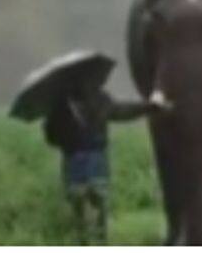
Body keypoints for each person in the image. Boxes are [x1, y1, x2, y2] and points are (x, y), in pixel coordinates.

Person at [43, 80, 159, 244]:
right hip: (97, 159)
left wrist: (67, 139)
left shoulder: (59, 105)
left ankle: (83, 241)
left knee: (79, 208)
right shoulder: (99, 98)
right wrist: (150, 107)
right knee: (98, 204)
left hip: (74, 161)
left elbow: (50, 137)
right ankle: (100, 241)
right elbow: (122, 111)